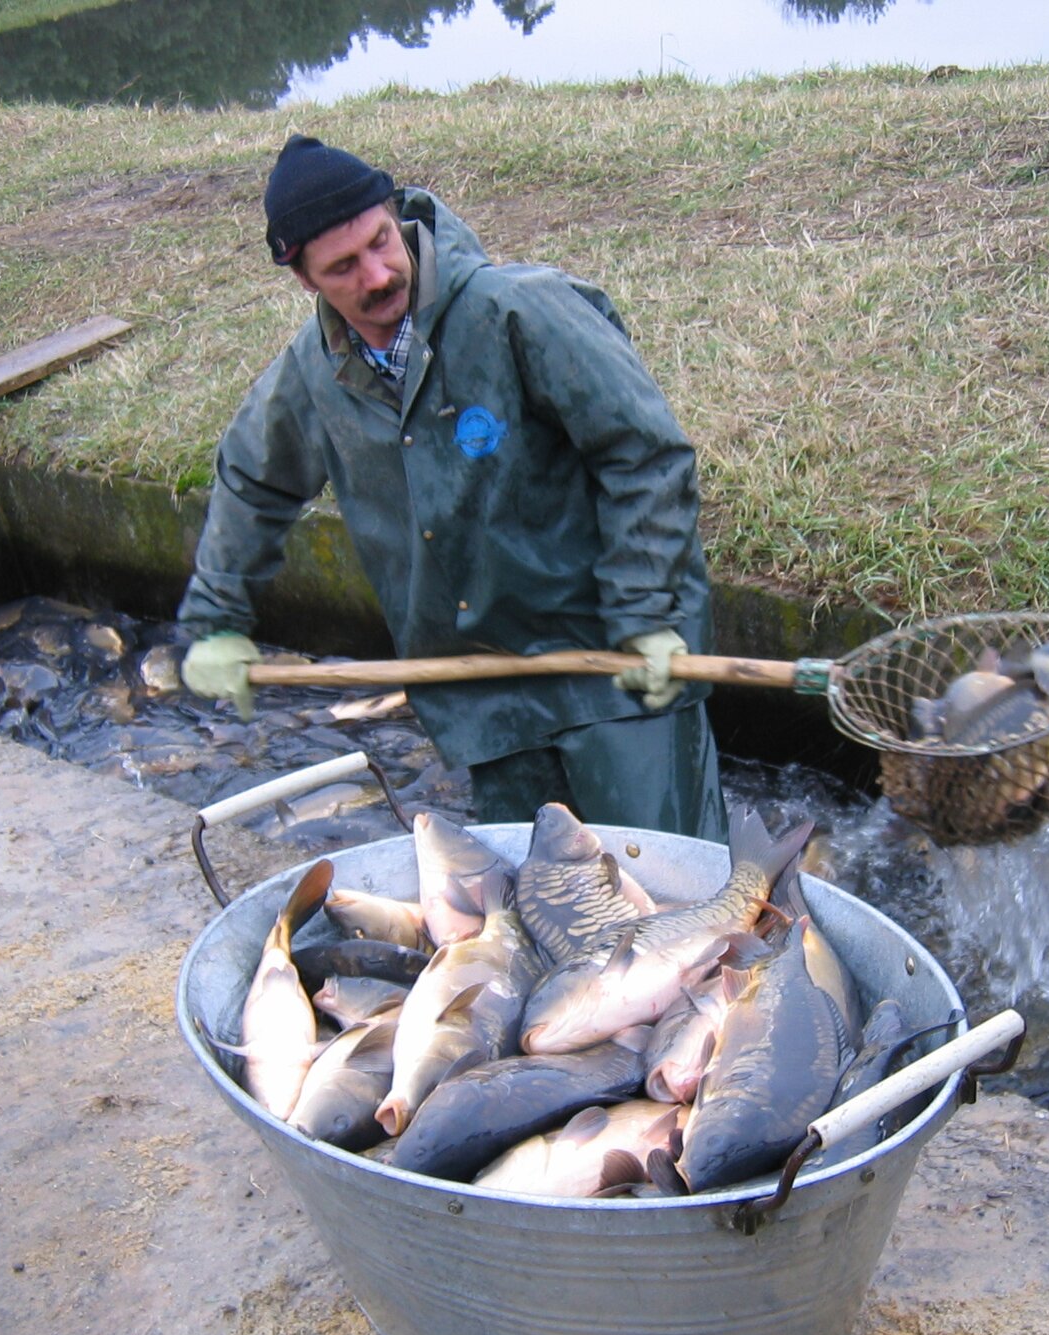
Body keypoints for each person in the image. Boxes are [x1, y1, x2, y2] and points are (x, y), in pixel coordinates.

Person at [177, 135, 727, 841]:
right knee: (538, 906)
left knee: (674, 886)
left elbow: (644, 455)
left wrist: (647, 610)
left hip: (616, 657)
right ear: (305, 281)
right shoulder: (311, 377)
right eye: (343, 267)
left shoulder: (517, 310)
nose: (376, 275)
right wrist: (218, 622)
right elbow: (251, 482)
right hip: (481, 690)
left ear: (396, 217)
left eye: (381, 242)